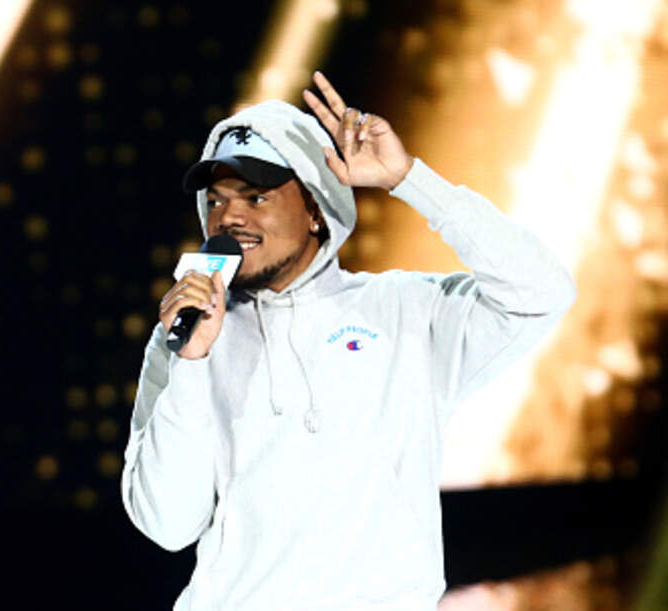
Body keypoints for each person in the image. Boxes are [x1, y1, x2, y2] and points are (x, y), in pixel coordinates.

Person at [120, 72, 576, 610]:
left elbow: (541, 291)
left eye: (256, 196)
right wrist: (192, 362)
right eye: (216, 201)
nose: (229, 217)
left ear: (316, 209)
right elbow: (167, 524)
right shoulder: (184, 339)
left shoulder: (406, 312)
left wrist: (409, 180)